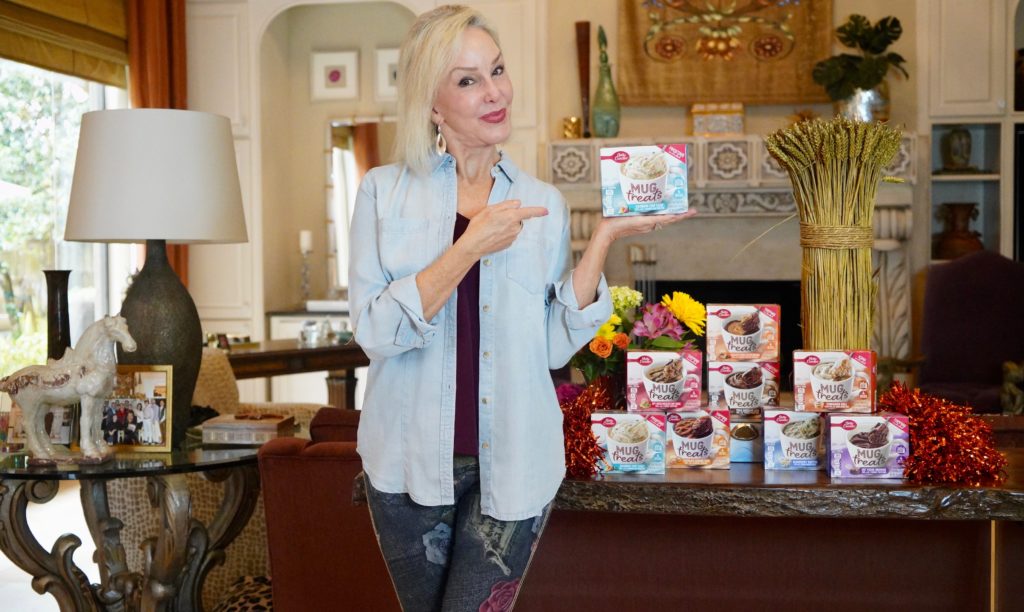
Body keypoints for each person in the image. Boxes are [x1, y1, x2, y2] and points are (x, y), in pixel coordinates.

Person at [348, 6, 695, 611]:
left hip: (514, 460)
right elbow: (376, 332)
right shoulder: (383, 192)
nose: (495, 92)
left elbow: (552, 344)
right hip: (405, 464)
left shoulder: (543, 203)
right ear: (432, 104)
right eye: (468, 80)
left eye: (498, 70)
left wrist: (605, 239)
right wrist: (468, 247)